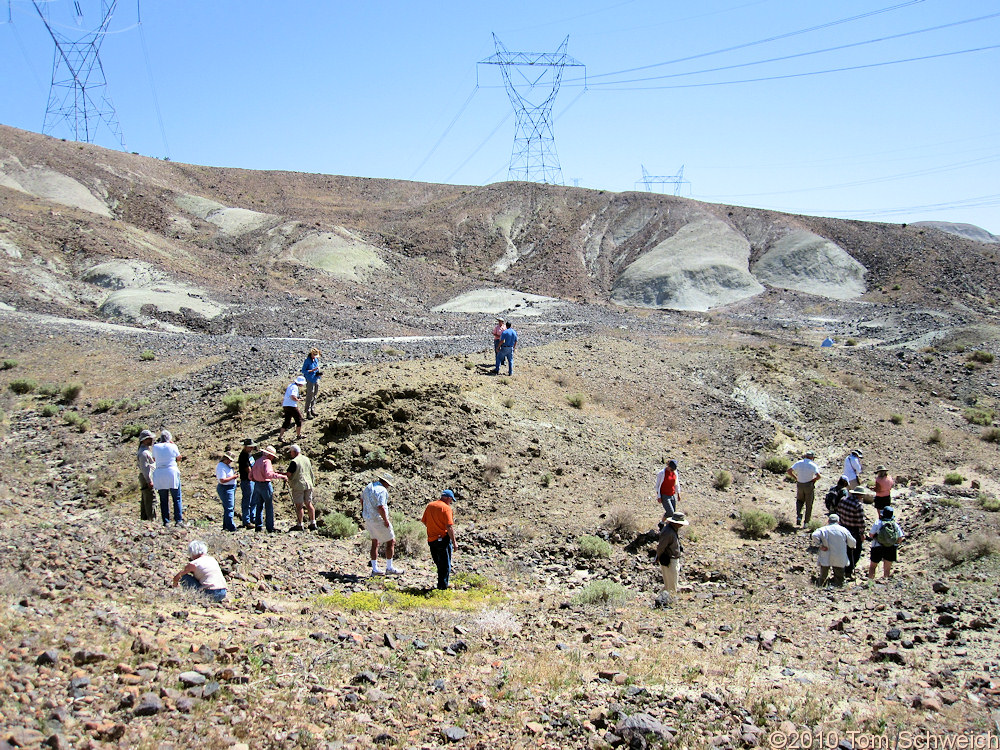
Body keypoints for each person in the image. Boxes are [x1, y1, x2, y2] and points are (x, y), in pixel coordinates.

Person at [361, 472, 402, 576]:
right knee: (391, 541)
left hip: (368, 518)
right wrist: (386, 520)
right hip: (378, 519)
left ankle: (375, 569)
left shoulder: (368, 487)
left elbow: (362, 500)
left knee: (375, 542)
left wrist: (366, 511)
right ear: (386, 482)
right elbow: (381, 507)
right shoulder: (382, 490)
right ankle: (389, 567)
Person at [421, 489, 457, 590]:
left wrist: (433, 528)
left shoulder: (430, 505)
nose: (451, 502)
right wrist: (454, 542)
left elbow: (424, 521)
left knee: (439, 563)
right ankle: (442, 587)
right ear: (448, 498)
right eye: (451, 500)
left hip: (431, 539)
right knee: (445, 565)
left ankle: (442, 584)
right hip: (443, 539)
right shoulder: (446, 508)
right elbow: (449, 526)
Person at [248, 445, 287, 533]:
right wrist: (281, 476)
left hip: (257, 485)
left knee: (259, 506)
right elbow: (269, 474)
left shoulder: (257, 461)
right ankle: (270, 527)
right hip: (265, 485)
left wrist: (256, 479)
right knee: (269, 506)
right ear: (270, 455)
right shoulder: (267, 462)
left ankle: (258, 526)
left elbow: (250, 476)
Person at [811, 513, 856, 587]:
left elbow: (814, 535)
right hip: (839, 556)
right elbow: (852, 543)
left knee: (823, 575)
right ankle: (838, 589)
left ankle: (821, 587)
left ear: (828, 521)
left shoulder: (823, 529)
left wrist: (820, 545)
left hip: (826, 554)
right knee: (839, 577)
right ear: (838, 521)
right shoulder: (844, 530)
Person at [151, 430, 184, 527]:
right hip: (171, 472)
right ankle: (178, 520)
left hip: (160, 473)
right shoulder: (173, 446)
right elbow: (179, 457)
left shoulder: (155, 447)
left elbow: (154, 459)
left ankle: (166, 521)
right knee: (176, 498)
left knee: (163, 499)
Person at [837, 487, 867, 578]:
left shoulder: (843, 500)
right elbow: (861, 522)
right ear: (860, 495)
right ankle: (848, 571)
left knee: (844, 550)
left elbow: (838, 513)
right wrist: (862, 533)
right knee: (856, 552)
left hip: (842, 528)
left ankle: (841, 570)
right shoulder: (858, 505)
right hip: (853, 531)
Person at [655, 511, 688, 594]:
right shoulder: (668, 532)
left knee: (669, 585)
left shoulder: (672, 529)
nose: (681, 525)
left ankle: (661, 598)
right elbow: (661, 547)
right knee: (672, 587)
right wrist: (658, 557)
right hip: (670, 561)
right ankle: (668, 602)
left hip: (672, 559)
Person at [285, 444, 317, 531]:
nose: (290, 454)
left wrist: (283, 476)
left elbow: (289, 474)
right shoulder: (306, 459)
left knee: (299, 505)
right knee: (309, 503)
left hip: (298, 485)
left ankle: (300, 524)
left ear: (294, 452)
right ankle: (313, 522)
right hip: (309, 484)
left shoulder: (294, 461)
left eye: (291, 452)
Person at [867, 506, 904, 580]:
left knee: (873, 567)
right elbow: (900, 538)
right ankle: (885, 583)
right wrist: (894, 544)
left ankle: (870, 582)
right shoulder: (894, 525)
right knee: (887, 569)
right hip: (891, 548)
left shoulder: (878, 522)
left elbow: (871, 535)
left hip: (877, 546)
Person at [787, 450, 821, 527]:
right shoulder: (813, 465)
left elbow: (789, 471)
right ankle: (806, 523)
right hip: (808, 485)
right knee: (809, 504)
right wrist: (813, 480)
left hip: (799, 484)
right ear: (812, 457)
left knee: (799, 501)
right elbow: (818, 476)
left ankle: (799, 516)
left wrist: (796, 478)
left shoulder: (799, 463)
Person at [215, 451, 238, 532]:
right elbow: (222, 480)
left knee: (228, 507)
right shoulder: (221, 466)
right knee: (229, 507)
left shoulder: (226, 466)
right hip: (226, 488)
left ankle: (226, 525)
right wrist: (233, 477)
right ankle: (231, 526)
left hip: (230, 488)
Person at [137, 430, 157, 521]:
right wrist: (149, 481)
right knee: (151, 499)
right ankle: (152, 519)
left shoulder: (145, 451)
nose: (151, 440)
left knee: (146, 499)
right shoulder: (144, 453)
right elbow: (145, 469)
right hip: (147, 478)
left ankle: (144, 519)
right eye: (149, 439)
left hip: (146, 477)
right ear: (144, 440)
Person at [279, 375, 306, 442]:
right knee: (299, 420)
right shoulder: (295, 387)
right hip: (291, 405)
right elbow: (292, 396)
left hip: (286, 405)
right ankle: (298, 435)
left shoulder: (290, 385)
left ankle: (280, 437)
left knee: (287, 421)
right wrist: (298, 400)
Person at [238, 438, 256, 528]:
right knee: (247, 501)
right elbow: (247, 468)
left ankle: (253, 517)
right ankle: (246, 520)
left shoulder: (249, 455)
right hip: (247, 480)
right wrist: (253, 476)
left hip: (251, 480)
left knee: (253, 500)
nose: (252, 448)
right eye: (250, 447)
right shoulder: (243, 456)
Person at [301, 348, 322, 419]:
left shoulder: (315, 360)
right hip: (310, 379)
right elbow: (303, 370)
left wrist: (318, 373)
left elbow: (317, 368)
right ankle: (307, 412)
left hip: (316, 378)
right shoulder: (307, 361)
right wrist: (312, 370)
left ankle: (312, 410)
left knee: (315, 395)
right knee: (310, 395)